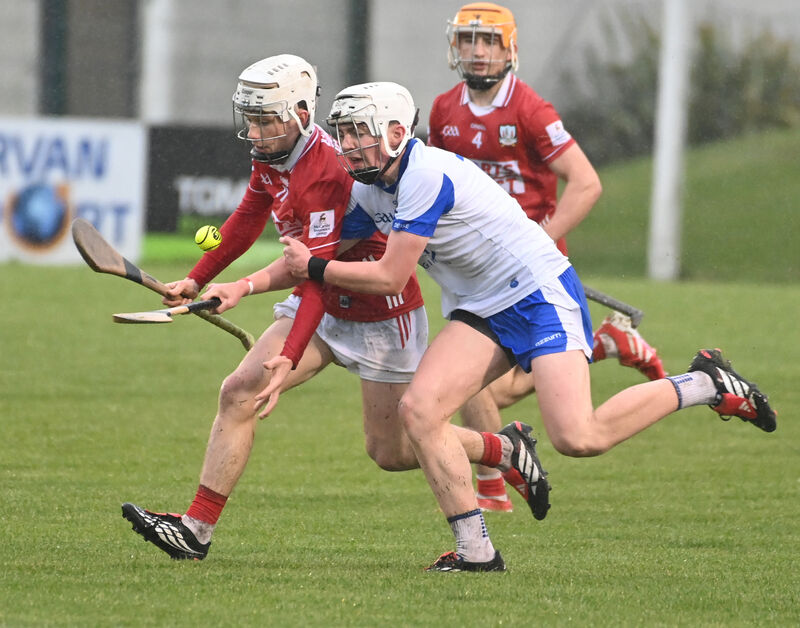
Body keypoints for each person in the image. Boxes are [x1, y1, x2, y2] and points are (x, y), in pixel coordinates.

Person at [276, 81, 776, 572]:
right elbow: (318, 254)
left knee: (579, 437)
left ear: (395, 132)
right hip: (482, 305)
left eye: (358, 132)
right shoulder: (370, 190)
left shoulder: (424, 174)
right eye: (343, 133)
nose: (347, 144)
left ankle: (705, 383)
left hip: (538, 294)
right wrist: (242, 285)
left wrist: (313, 267)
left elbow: (386, 276)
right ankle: (476, 552)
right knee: (420, 411)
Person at [120, 54, 549, 563]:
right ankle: (195, 531)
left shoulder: (326, 170)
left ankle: (503, 450)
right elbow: (248, 217)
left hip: (380, 315)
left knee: (391, 451)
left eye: (265, 119)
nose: (254, 132)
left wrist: (287, 353)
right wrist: (200, 278)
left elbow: (315, 274)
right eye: (250, 119)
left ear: (301, 114)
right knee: (238, 392)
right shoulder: (271, 155)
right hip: (320, 307)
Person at [427, 2, 667, 512]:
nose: (477, 50)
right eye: (468, 40)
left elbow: (586, 183)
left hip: (532, 274)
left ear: (509, 49)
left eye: (489, 41)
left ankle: (492, 487)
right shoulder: (444, 110)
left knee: (479, 390)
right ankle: (602, 344)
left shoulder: (530, 110)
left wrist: (542, 236)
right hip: (478, 270)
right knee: (483, 388)